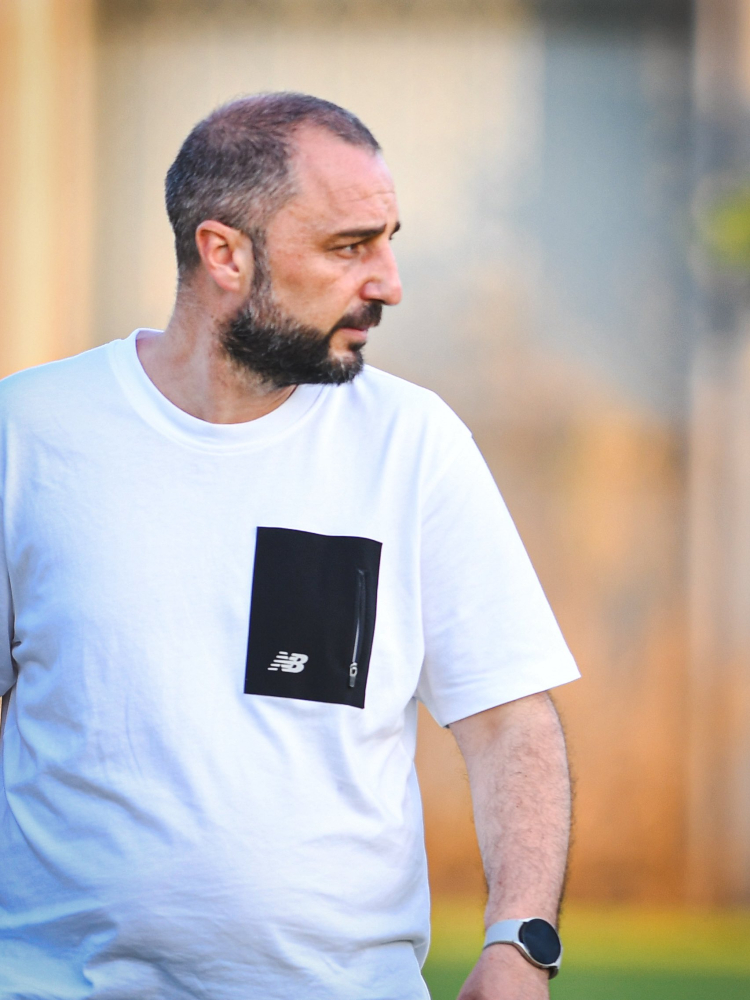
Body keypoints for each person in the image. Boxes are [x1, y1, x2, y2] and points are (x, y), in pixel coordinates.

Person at [0, 93, 579, 1000]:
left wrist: (520, 943)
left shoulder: (413, 443)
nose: (388, 282)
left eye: (388, 241)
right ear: (224, 253)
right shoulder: (28, 431)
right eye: (350, 247)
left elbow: (510, 721)